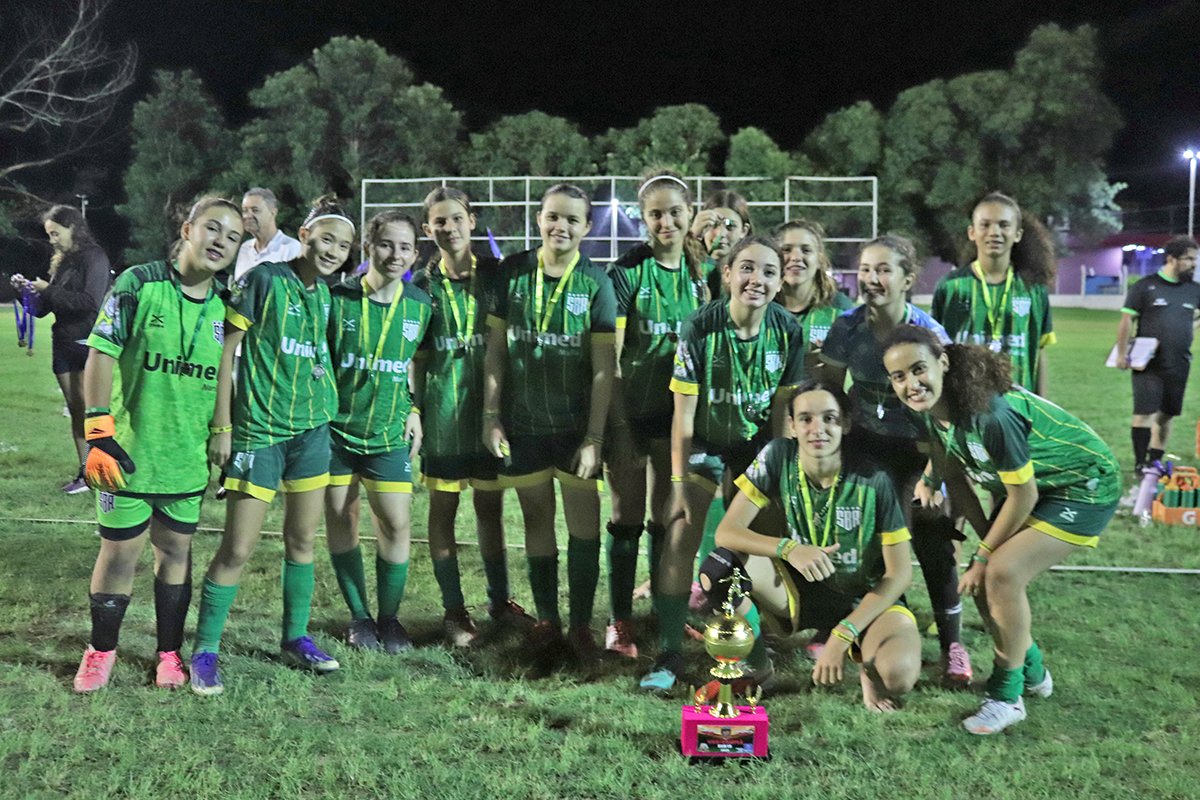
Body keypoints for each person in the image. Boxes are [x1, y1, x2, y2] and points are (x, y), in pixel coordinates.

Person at [883, 325, 1120, 734]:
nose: (910, 384)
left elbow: (1022, 496)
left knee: (1003, 574)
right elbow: (955, 475)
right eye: (898, 376)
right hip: (1038, 488)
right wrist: (936, 480)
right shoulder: (930, 410)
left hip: (1084, 484)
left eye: (919, 369)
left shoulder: (989, 414)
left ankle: (1007, 696)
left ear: (942, 363)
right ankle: (1032, 671)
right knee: (986, 582)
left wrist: (984, 556)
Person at [71, 197, 244, 692]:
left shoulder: (224, 306)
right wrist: (99, 434)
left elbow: (222, 376)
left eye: (231, 237)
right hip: (126, 455)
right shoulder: (139, 283)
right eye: (213, 229)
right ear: (188, 229)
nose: (220, 242)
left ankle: (168, 653)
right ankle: (101, 650)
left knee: (175, 552)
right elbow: (101, 354)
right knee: (119, 553)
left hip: (185, 457)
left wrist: (219, 433)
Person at [190, 195, 354, 696]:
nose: (333, 251)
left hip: (312, 433)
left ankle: (295, 637)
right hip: (260, 433)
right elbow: (226, 350)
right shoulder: (263, 279)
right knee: (237, 547)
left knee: (302, 542)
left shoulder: (325, 295)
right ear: (303, 236)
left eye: (344, 246)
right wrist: (224, 426)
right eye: (326, 239)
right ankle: (205, 651)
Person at [641, 234, 804, 692]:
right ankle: (670, 653)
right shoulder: (699, 327)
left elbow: (781, 414)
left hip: (754, 450)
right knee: (680, 536)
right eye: (747, 268)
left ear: (779, 282)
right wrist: (676, 483)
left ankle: (751, 646)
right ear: (727, 273)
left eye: (769, 271)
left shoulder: (787, 330)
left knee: (749, 550)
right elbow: (683, 417)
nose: (758, 279)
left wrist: (782, 475)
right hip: (705, 444)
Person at [704, 380, 920, 711]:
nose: (817, 428)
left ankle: (868, 669)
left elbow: (900, 573)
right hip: (800, 590)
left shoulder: (874, 479)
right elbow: (727, 532)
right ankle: (759, 670)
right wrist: (789, 549)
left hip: (862, 599)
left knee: (898, 675)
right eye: (805, 419)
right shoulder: (778, 455)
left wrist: (844, 633)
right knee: (719, 570)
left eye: (829, 418)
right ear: (792, 425)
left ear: (846, 424)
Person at [821, 234, 973, 686]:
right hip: (866, 446)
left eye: (884, 270)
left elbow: (948, 415)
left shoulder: (929, 334)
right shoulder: (847, 327)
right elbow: (829, 391)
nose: (872, 279)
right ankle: (869, 632)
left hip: (920, 450)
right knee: (867, 541)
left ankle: (953, 646)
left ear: (908, 279)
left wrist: (934, 475)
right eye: (866, 269)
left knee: (930, 534)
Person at [481, 183, 617, 674]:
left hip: (576, 427)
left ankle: (580, 625)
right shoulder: (513, 273)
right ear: (539, 219)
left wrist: (595, 437)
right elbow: (495, 352)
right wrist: (491, 416)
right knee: (537, 523)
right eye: (552, 217)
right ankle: (547, 621)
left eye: (572, 220)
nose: (561, 227)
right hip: (524, 425)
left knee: (584, 527)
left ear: (586, 228)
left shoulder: (595, 283)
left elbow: (605, 368)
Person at [412, 187, 530, 648]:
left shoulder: (497, 277)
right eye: (439, 221)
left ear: (472, 220)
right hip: (443, 414)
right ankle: (453, 610)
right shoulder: (421, 287)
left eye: (456, 218)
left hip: (489, 413)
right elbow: (417, 358)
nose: (449, 227)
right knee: (442, 511)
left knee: (490, 509)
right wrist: (415, 408)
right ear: (428, 230)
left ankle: (500, 603)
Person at [605, 170, 708, 658]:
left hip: (677, 421)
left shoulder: (703, 274)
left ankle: (662, 612)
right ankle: (619, 620)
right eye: (655, 214)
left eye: (674, 212)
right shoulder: (626, 272)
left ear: (691, 215)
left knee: (667, 518)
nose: (665, 221)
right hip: (632, 413)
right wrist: (619, 427)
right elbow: (614, 358)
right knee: (625, 514)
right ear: (642, 218)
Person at [323, 211, 430, 653]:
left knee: (396, 524)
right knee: (341, 521)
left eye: (405, 247)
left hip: (388, 432)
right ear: (368, 247)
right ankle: (359, 617)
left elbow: (416, 363)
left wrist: (415, 407)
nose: (395, 255)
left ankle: (389, 618)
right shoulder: (338, 298)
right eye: (386, 244)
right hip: (335, 433)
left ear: (415, 254)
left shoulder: (420, 306)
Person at [9, 205, 112, 494]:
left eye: (56, 233)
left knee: (91, 411)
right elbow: (43, 310)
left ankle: (104, 470)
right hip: (63, 344)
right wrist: (26, 292)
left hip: (87, 342)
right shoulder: (63, 261)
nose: (52, 239)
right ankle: (85, 474)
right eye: (49, 234)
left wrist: (48, 289)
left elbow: (89, 302)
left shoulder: (95, 258)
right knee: (75, 410)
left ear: (73, 228)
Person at [931, 191, 1056, 394]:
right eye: (985, 224)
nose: (994, 232)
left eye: (1003, 225)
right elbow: (936, 351)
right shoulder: (950, 287)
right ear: (972, 232)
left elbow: (1039, 354)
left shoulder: (1034, 290)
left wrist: (1042, 408)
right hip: (964, 402)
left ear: (1018, 234)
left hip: (1019, 407)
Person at [1114, 235, 1200, 472]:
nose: (1194, 264)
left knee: (1166, 417)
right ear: (1171, 259)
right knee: (1144, 414)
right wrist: (1122, 354)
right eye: (1189, 259)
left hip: (1179, 363)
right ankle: (1140, 464)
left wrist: (1189, 328)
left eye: (1195, 259)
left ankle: (1155, 462)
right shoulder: (1145, 286)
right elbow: (1126, 319)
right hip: (1148, 363)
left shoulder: (1194, 290)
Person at [774, 219, 855, 376]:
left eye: (806, 250)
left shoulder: (839, 308)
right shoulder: (761, 306)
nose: (796, 257)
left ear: (819, 260)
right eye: (786, 250)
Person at [690, 189, 752, 298]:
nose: (720, 233)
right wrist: (691, 237)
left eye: (730, 226)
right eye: (713, 224)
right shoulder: (687, 269)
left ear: (744, 230)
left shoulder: (750, 276)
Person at [234, 188, 302, 281]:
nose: (247, 216)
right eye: (245, 210)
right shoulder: (245, 248)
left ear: (273, 212)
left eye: (255, 210)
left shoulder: (291, 248)